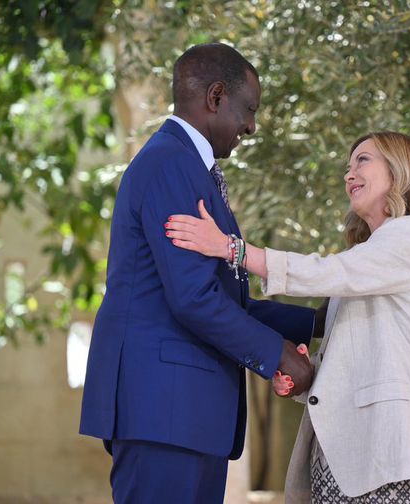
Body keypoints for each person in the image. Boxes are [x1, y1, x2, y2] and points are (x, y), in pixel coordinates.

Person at [79, 42, 318, 503]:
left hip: (184, 415)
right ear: (215, 97)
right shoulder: (171, 164)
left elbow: (227, 300)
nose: (251, 126)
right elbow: (193, 298)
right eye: (248, 110)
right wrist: (279, 356)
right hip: (164, 411)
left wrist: (320, 321)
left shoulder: (187, 166)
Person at [166, 131, 410, 503]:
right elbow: (356, 355)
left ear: (400, 170)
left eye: (363, 161)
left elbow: (326, 271)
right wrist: (305, 376)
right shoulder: (370, 255)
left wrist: (230, 249)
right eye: (348, 167)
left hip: (387, 456)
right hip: (342, 460)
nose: (349, 174)